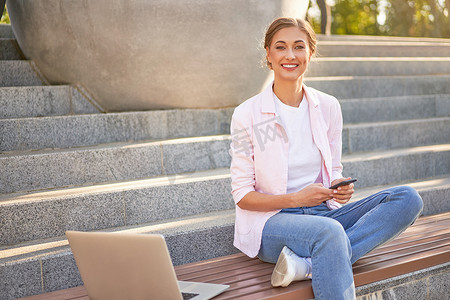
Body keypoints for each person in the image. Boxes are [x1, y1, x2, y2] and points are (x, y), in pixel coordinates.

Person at [229, 17, 423, 300]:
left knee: (408, 198)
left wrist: (338, 185)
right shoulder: (248, 114)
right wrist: (297, 199)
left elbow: (333, 168)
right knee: (329, 233)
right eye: (281, 47)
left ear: (310, 53)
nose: (290, 55)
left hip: (323, 213)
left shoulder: (328, 106)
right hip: (272, 223)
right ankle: (320, 256)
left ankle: (304, 264)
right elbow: (243, 195)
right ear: (268, 55)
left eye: (299, 46)